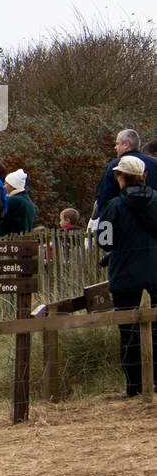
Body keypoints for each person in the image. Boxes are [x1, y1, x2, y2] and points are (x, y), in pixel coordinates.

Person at [96, 156, 157, 398]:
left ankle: (134, 387)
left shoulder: (113, 207)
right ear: (143, 176)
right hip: (155, 269)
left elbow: (104, 241)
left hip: (125, 273)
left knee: (128, 330)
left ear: (121, 177)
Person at [91, 129, 157, 231]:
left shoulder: (114, 166)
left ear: (126, 144)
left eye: (117, 144)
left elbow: (104, 199)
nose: (115, 147)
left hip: (123, 232)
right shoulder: (155, 164)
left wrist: (106, 234)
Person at [0, 169, 36, 235]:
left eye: (6, 183)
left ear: (13, 186)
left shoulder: (14, 200)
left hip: (12, 240)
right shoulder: (26, 200)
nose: (3, 186)